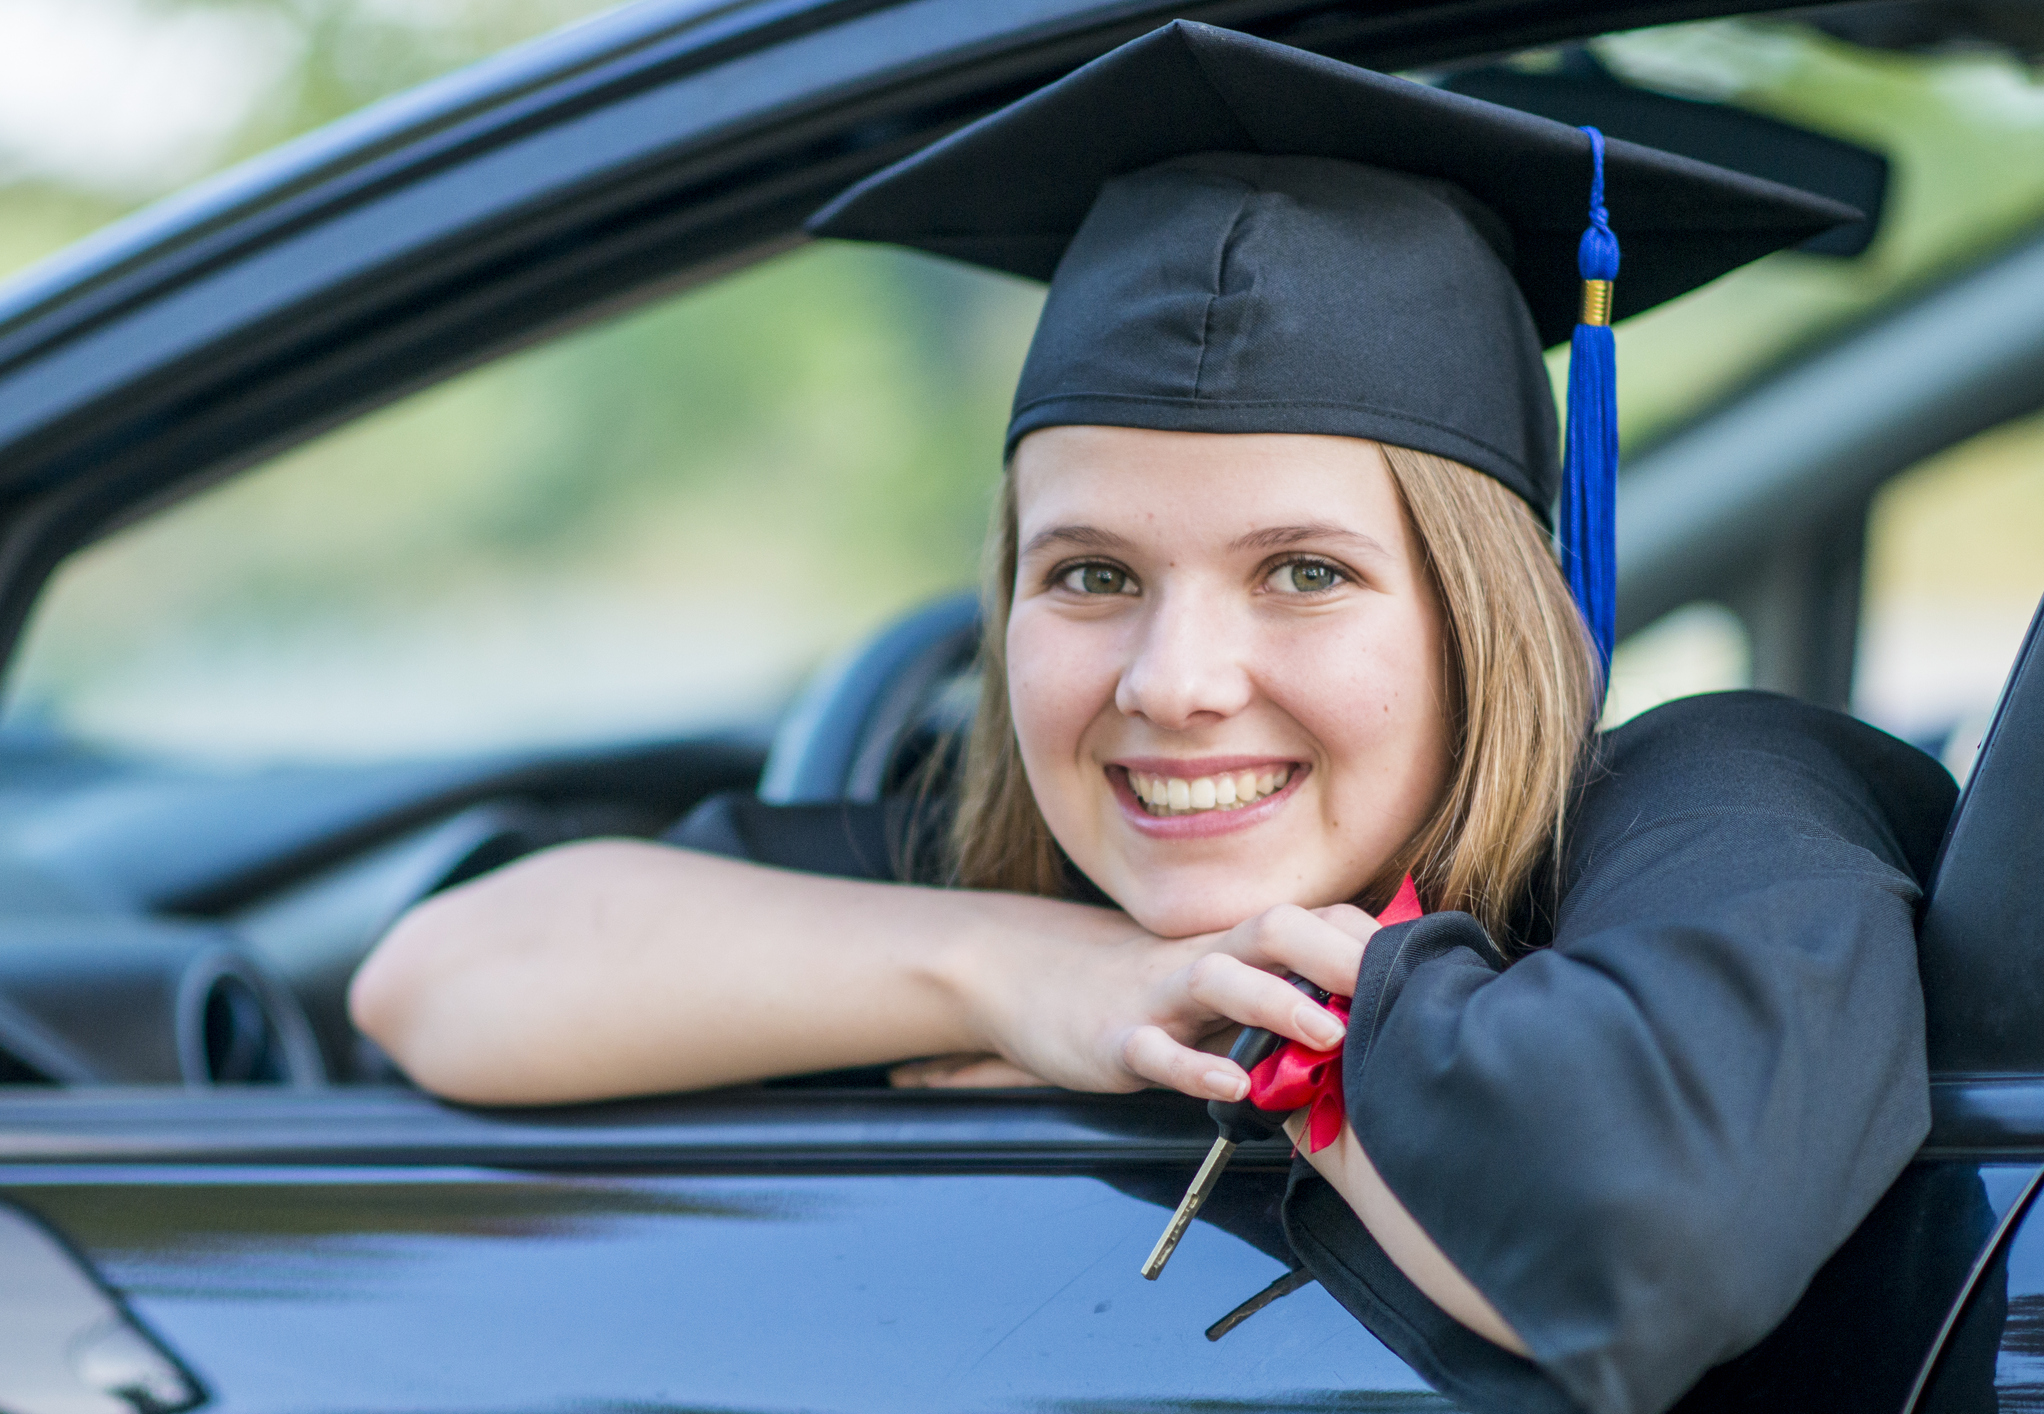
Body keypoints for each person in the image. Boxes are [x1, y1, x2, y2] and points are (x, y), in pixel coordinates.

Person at [349, 23, 1958, 1414]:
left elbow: (1635, 1231)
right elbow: (443, 975)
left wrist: (1261, 1022)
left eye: (1306, 571)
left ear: (1487, 614)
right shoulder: (1013, 869)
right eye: (1093, 572)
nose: (1172, 682)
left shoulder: (1712, 804)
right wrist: (1044, 974)